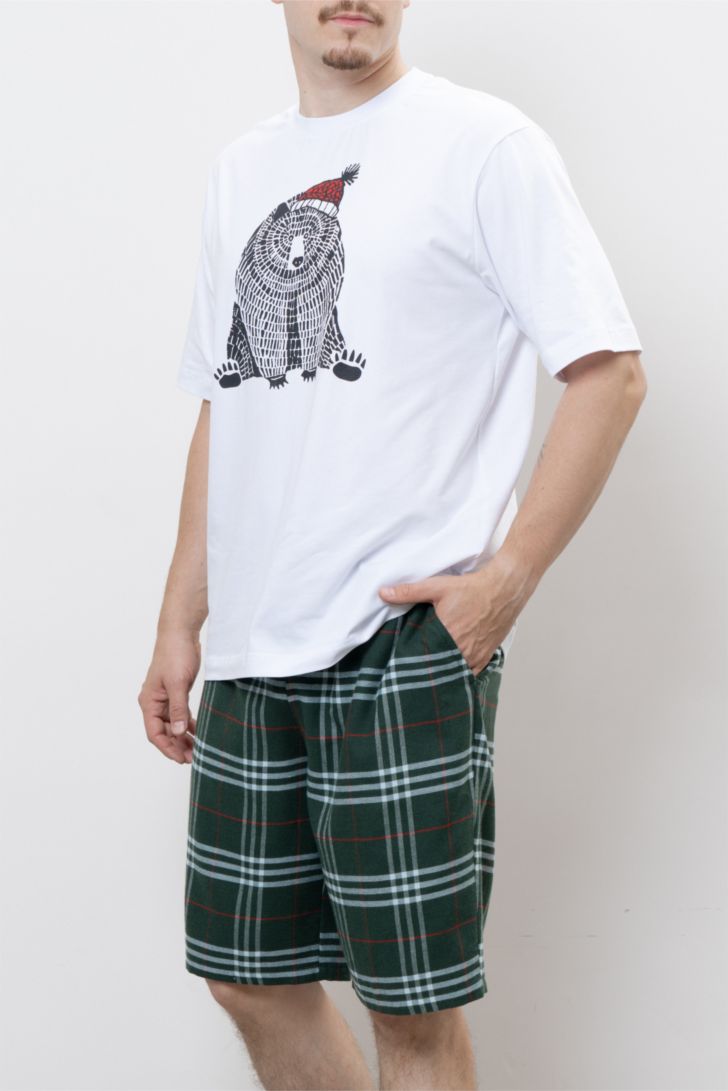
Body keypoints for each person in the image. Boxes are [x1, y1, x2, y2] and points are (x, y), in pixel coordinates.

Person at [138, 1, 647, 1087]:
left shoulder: (485, 144)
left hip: (402, 641)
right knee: (245, 976)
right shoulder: (241, 170)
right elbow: (229, 398)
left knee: (409, 1010)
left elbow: (609, 373)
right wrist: (180, 618)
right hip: (251, 647)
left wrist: (505, 581)